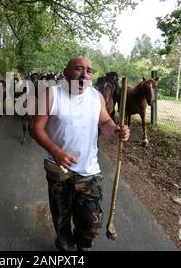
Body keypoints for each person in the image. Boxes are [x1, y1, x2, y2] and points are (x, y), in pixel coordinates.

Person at [32, 57, 130, 251]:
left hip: (89, 171)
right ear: (66, 73)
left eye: (89, 71)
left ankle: (83, 247)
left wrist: (116, 130)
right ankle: (65, 247)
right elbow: (36, 128)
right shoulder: (52, 94)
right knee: (61, 219)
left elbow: (104, 123)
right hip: (59, 171)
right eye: (79, 69)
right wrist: (56, 151)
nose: (85, 73)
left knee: (91, 225)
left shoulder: (96, 97)